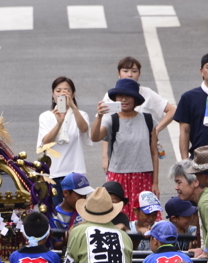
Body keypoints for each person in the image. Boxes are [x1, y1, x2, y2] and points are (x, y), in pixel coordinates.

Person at [91, 78, 160, 221]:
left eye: (128, 95)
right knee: (118, 218)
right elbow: (95, 137)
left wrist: (155, 183)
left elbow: (154, 153)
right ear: (115, 99)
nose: (123, 99)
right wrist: (99, 116)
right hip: (118, 177)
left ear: (135, 99)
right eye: (120, 96)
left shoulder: (148, 120)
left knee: (146, 219)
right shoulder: (111, 120)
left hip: (144, 177)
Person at [99, 57, 176, 172]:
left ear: (139, 74)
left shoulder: (147, 93)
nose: (130, 75)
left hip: (142, 152)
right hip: (119, 153)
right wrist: (105, 157)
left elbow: (172, 110)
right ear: (118, 73)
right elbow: (105, 129)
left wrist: (156, 130)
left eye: (134, 71)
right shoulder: (112, 96)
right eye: (125, 71)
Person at [38, 77, 90, 194]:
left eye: (67, 90)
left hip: (76, 172)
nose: (62, 93)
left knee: (77, 209)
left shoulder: (81, 114)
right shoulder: (46, 116)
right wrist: (59, 123)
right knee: (56, 210)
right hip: (53, 172)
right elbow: (46, 142)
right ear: (53, 95)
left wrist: (73, 107)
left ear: (73, 94)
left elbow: (84, 128)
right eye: (58, 91)